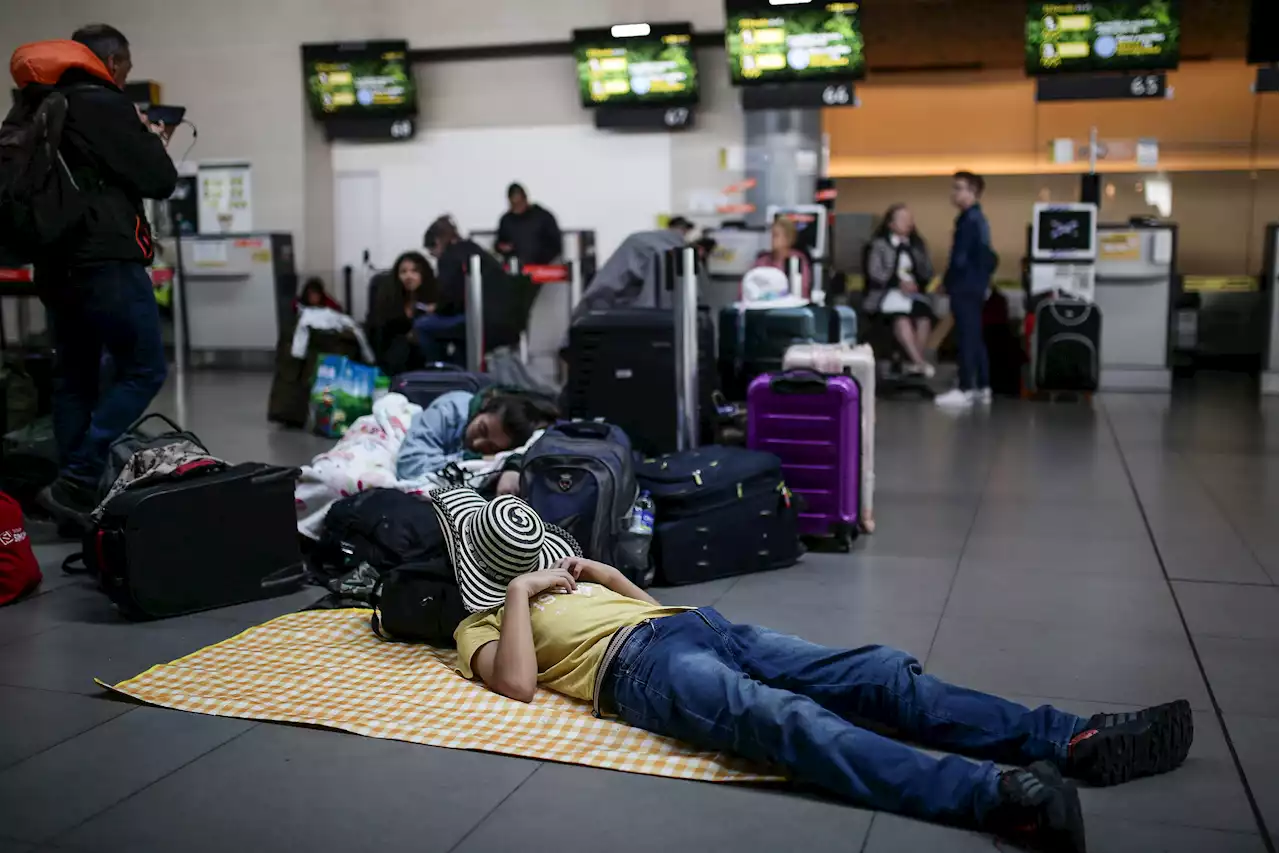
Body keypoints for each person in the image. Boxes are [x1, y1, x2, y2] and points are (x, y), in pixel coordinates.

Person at [434, 487, 1196, 853]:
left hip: (691, 628)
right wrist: (518, 590)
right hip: (635, 671)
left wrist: (602, 574)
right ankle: (998, 798)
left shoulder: (571, 579)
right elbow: (518, 685)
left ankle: (1075, 739)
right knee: (785, 721)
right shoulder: (482, 620)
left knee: (880, 674)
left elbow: (652, 608)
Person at [4, 26, 178, 527]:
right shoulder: (103, 103)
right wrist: (151, 140)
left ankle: (69, 494)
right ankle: (79, 479)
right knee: (144, 367)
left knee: (74, 378)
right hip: (106, 260)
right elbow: (159, 180)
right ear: (114, 60)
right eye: (124, 66)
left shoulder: (34, 106)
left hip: (53, 265)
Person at [395, 390, 558, 494]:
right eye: (482, 429)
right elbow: (409, 465)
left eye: (490, 447)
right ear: (485, 407)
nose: (477, 443)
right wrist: (468, 457)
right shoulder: (450, 410)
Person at [425, 216, 531, 359]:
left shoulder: (448, 258)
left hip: (480, 322)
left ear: (437, 242)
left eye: (433, 253)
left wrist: (435, 308)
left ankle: (435, 373)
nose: (435, 257)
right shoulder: (476, 250)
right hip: (506, 323)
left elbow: (448, 300)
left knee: (422, 326)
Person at [936, 171, 996, 409]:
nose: (954, 193)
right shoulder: (979, 219)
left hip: (965, 285)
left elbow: (959, 259)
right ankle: (982, 385)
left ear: (972, 192)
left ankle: (965, 387)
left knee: (966, 335)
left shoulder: (967, 221)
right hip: (977, 285)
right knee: (975, 334)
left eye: (958, 188)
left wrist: (947, 282)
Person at [866, 204, 936, 377]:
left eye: (910, 219)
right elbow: (875, 273)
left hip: (913, 294)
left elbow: (927, 271)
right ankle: (919, 362)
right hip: (886, 294)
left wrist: (916, 281)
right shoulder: (879, 245)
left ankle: (914, 362)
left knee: (924, 318)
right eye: (903, 219)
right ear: (890, 224)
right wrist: (897, 283)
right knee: (901, 319)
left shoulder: (917, 245)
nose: (908, 223)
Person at [367, 252, 438, 376]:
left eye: (414, 271)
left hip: (424, 360)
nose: (408, 276)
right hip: (393, 361)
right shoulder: (389, 301)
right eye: (403, 272)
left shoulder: (433, 301)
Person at [495, 183, 562, 268]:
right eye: (514, 204)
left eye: (519, 203)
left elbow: (555, 244)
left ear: (525, 199)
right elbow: (499, 244)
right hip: (515, 269)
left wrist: (541, 259)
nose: (517, 208)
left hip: (543, 269)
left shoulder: (543, 217)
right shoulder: (506, 220)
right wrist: (503, 248)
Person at [752, 217, 812, 300]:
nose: (771, 239)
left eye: (775, 235)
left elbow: (803, 291)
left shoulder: (798, 260)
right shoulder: (761, 261)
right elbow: (749, 287)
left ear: (787, 239)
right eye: (770, 235)